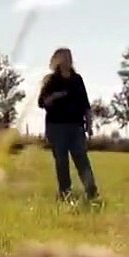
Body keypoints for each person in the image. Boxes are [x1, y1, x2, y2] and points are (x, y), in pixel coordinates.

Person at [37, 47, 99, 202]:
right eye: (64, 57)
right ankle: (65, 193)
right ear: (57, 60)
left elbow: (86, 105)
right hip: (56, 127)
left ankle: (91, 192)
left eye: (69, 57)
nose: (67, 59)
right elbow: (41, 102)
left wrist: (89, 126)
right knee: (61, 162)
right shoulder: (51, 81)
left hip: (76, 127)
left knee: (82, 160)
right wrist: (54, 96)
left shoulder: (77, 80)